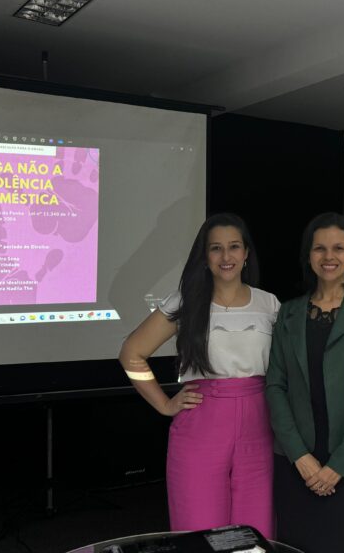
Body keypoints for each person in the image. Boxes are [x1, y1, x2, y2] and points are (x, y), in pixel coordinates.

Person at [118, 213, 280, 538]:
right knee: (199, 528)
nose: (226, 256)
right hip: (202, 425)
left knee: (255, 532)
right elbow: (131, 353)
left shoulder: (269, 304)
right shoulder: (186, 302)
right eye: (216, 248)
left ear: (246, 253)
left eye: (234, 247)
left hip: (258, 426)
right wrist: (164, 404)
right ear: (205, 257)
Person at [265, 212, 344, 553]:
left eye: (338, 248)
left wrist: (338, 466)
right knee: (298, 544)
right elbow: (275, 385)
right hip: (296, 457)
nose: (329, 256)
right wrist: (300, 457)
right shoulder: (289, 313)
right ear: (309, 255)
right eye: (319, 248)